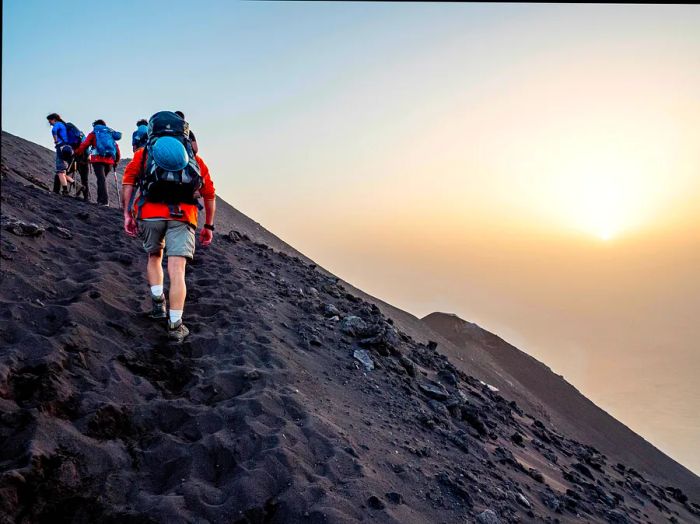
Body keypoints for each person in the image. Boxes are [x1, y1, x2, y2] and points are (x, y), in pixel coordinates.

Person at [122, 111, 216, 342]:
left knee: (154, 257)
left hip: (149, 214)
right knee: (178, 271)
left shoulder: (144, 154)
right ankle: (175, 325)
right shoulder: (194, 159)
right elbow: (209, 194)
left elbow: (128, 183)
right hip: (184, 217)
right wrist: (209, 226)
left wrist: (127, 214)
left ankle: (157, 306)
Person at [75, 119, 122, 206]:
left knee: (101, 180)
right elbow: (116, 147)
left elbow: (85, 144)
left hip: (97, 160)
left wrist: (77, 152)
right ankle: (100, 200)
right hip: (110, 161)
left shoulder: (94, 133)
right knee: (102, 180)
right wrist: (116, 160)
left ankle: (103, 201)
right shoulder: (109, 133)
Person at [46, 113, 76, 195]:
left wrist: (55, 141)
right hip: (69, 149)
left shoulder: (58, 124)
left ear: (54, 119)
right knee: (62, 171)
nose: (50, 123)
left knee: (60, 171)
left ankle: (65, 191)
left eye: (50, 121)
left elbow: (54, 130)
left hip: (61, 147)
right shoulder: (64, 125)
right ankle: (76, 185)